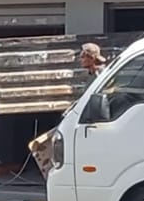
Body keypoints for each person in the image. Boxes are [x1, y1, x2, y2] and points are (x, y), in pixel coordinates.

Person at [27, 43, 111, 175]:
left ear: (91, 58)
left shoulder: (99, 76)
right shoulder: (92, 74)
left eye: (83, 56)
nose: (80, 59)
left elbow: (96, 99)